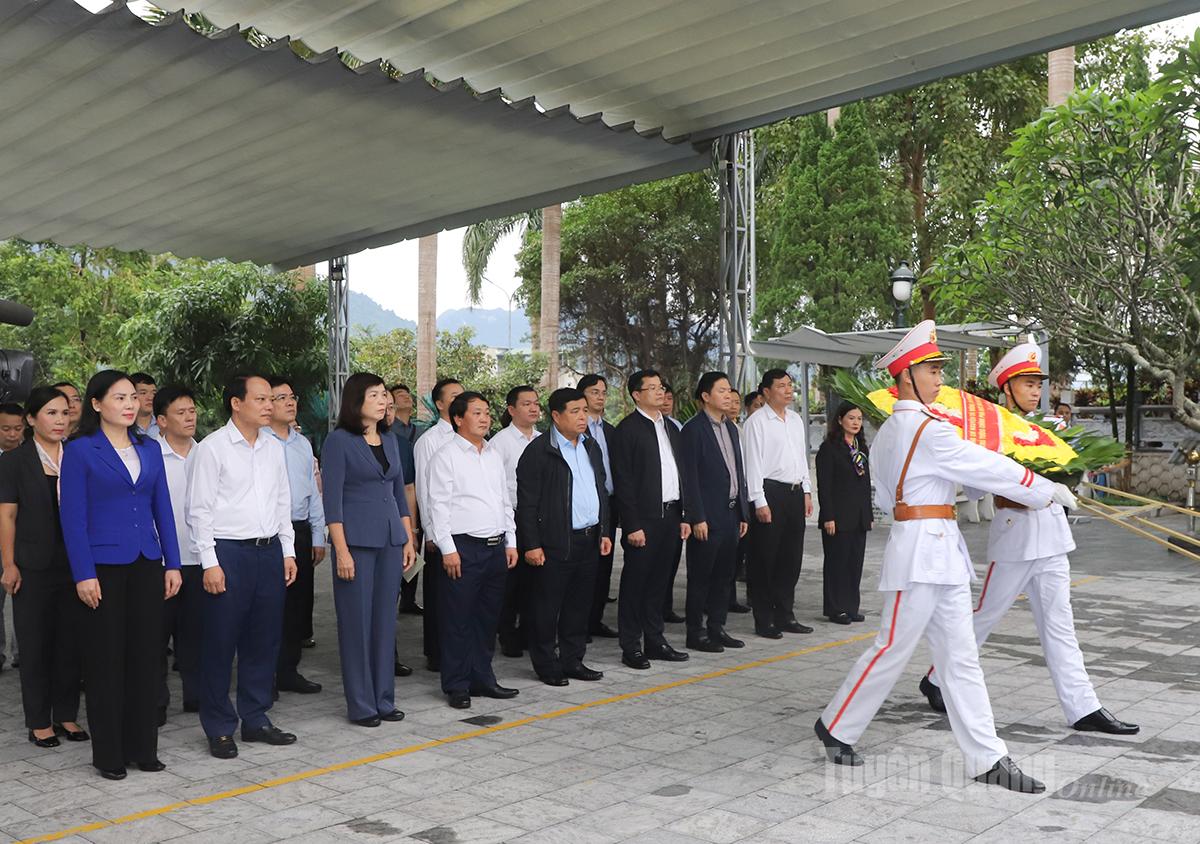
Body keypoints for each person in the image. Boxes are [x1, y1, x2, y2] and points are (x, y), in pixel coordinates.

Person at [814, 321, 1078, 793]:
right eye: (932, 370)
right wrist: (1045, 488)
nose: (940, 378)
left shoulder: (894, 429)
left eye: (938, 369)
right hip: (921, 550)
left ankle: (988, 757)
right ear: (906, 377)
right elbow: (983, 465)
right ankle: (836, 726)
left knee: (960, 660)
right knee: (893, 647)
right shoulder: (925, 429)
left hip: (934, 548)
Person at [920, 343, 1138, 736]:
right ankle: (936, 676)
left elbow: (1071, 469)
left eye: (1038, 383)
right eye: (1026, 383)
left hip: (1053, 539)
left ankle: (1083, 706)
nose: (1036, 390)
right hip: (1015, 538)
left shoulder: (1050, 429)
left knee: (1061, 626)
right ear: (1006, 388)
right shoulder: (990, 431)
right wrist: (1029, 484)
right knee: (984, 617)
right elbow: (977, 487)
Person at [61, 370, 182, 780]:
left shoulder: (149, 448)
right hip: (102, 569)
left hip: (147, 562)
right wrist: (83, 574)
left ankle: (143, 748)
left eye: (133, 397)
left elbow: (162, 508)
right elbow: (72, 519)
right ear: (97, 405)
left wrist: (173, 563)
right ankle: (109, 755)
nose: (130, 404)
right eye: (119, 398)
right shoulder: (80, 450)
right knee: (105, 661)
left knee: (147, 658)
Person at [187, 374, 298, 760]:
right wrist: (210, 562)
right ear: (237, 403)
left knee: (263, 639)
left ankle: (255, 718)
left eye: (272, 399)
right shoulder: (213, 448)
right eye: (262, 399)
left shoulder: (273, 448)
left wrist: (288, 551)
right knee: (220, 642)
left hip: (268, 553)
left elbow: (282, 501)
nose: (270, 405)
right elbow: (198, 510)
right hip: (228, 553)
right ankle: (218, 726)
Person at [323, 373, 417, 727]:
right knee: (356, 625)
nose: (383, 401)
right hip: (356, 545)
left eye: (384, 395)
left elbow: (398, 495)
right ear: (356, 401)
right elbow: (332, 502)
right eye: (375, 395)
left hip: (391, 541)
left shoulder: (390, 440)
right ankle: (362, 705)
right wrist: (342, 551)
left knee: (383, 625)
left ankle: (384, 699)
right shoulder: (339, 442)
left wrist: (408, 538)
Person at [0, 387, 85, 749]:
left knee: (70, 643)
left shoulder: (79, 456)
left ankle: (66, 714)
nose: (60, 420)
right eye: (51, 413)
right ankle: (38, 720)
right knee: (35, 643)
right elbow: (6, 514)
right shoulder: (14, 462)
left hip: (76, 563)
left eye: (64, 413)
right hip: (32, 565)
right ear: (31, 419)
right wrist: (8, 564)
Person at [427, 391, 520, 709]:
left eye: (486, 413)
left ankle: (483, 678)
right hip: (463, 548)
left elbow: (504, 500)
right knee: (458, 619)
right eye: (477, 413)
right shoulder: (446, 455)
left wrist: (512, 541)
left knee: (486, 618)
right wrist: (448, 549)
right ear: (457, 418)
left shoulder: (492, 454)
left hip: (495, 548)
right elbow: (437, 505)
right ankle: (457, 684)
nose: (484, 418)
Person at [516, 387, 610, 685]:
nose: (583, 416)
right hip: (555, 542)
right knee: (547, 607)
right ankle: (546, 664)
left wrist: (605, 530)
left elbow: (601, 492)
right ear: (556, 416)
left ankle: (573, 660)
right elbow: (527, 503)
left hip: (589, 538)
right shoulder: (539, 451)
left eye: (584, 410)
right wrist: (532, 544)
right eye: (575, 411)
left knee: (579, 606)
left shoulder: (590, 446)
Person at [612, 369, 691, 669]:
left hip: (671, 515)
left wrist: (686, 514)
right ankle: (630, 644)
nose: (660, 392)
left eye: (661, 387)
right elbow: (624, 482)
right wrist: (632, 525)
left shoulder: (671, 427)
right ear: (636, 394)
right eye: (653, 388)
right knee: (636, 584)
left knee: (660, 583)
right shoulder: (628, 430)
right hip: (643, 520)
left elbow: (681, 473)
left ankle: (655, 640)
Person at [265, 376, 327, 696]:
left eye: (292, 396)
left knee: (297, 606)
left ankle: (288, 670)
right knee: (269, 607)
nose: (290, 403)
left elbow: (314, 493)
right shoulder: (259, 442)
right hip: (269, 533)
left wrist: (319, 535)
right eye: (281, 398)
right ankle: (265, 674)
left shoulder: (302, 444)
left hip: (300, 531)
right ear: (265, 403)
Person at [742, 369, 814, 638]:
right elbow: (753, 464)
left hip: (795, 493)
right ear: (766, 392)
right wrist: (759, 501)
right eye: (781, 385)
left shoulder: (795, 420)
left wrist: (807, 490)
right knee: (764, 558)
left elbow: (800, 457)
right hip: (769, 493)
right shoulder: (756, 422)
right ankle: (764, 619)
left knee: (790, 558)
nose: (788, 389)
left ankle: (786, 614)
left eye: (790, 384)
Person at [680, 372, 749, 653]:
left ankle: (717, 627)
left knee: (724, 576)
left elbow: (738, 471)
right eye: (721, 390)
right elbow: (689, 477)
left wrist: (743, 512)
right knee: (701, 577)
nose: (728, 395)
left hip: (731, 513)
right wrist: (697, 516)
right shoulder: (693, 430)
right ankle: (695, 632)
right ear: (705, 396)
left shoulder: (731, 427)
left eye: (729, 390)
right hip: (707, 516)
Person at [154, 385, 203, 718]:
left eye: (192, 411)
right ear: (161, 420)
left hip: (201, 559)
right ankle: (156, 702)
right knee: (155, 636)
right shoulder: (149, 455)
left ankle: (197, 696)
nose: (189, 418)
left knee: (198, 634)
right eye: (180, 412)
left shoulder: (209, 453)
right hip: (160, 562)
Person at [413, 377, 465, 672]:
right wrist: (432, 532)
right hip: (440, 533)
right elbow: (424, 489)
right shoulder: (430, 441)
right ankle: (436, 652)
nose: (462, 398)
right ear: (441, 404)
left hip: (466, 532)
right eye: (455, 395)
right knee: (438, 596)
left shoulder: (473, 439)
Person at [490, 385, 541, 658]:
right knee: (512, 582)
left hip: (541, 517)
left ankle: (528, 632)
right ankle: (507, 634)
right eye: (526, 404)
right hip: (514, 516)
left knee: (536, 581)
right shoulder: (500, 442)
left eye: (536, 403)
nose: (533, 408)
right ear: (511, 410)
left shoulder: (544, 439)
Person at [815, 402, 873, 625]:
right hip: (838, 517)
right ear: (839, 420)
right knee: (836, 563)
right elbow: (825, 486)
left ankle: (851, 606)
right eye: (851, 418)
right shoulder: (829, 449)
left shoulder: (861, 448)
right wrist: (828, 516)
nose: (856, 422)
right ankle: (835, 608)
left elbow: (865, 484)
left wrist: (867, 514)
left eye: (859, 418)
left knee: (854, 563)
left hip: (858, 516)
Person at [578, 374, 619, 641]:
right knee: (584, 567)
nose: (601, 396)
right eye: (594, 392)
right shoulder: (576, 431)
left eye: (604, 392)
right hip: (585, 506)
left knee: (605, 564)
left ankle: (595, 620)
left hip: (610, 504)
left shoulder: (611, 430)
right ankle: (578, 624)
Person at [383, 393, 417, 677]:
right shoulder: (345, 442)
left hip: (397, 528)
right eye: (383, 403)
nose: (388, 410)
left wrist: (412, 531)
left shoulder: (400, 444)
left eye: (391, 406)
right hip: (368, 534)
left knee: (389, 597)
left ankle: (389, 656)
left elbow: (407, 490)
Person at [390, 386, 422, 617]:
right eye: (399, 396)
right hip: (394, 501)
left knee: (414, 549)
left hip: (415, 496)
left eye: (408, 395)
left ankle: (408, 598)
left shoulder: (419, 431)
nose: (406, 398)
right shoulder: (389, 434)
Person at [0, 401, 24, 671]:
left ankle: (22, 653)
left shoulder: (29, 458)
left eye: (17, 428)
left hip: (23, 537)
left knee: (24, 597)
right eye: (5, 429)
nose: (12, 434)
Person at [659, 382, 686, 625]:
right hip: (652, 512)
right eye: (658, 393)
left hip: (675, 509)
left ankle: (665, 607)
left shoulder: (675, 428)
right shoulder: (632, 429)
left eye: (668, 396)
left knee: (670, 562)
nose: (665, 400)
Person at [130, 373, 159, 439]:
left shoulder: (164, 424)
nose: (150, 398)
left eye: (154, 393)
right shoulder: (123, 427)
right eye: (143, 393)